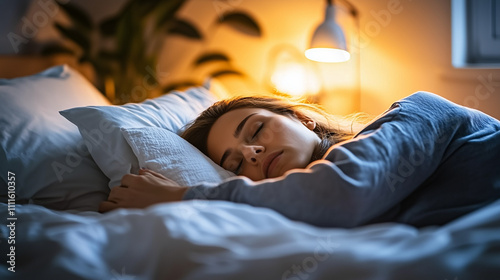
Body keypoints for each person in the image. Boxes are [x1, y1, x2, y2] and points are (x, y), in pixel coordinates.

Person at [99, 91, 500, 228]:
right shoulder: (297, 204)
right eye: (235, 165)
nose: (251, 154)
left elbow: (342, 194)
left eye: (255, 131)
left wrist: (183, 197)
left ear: (301, 117)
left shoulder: (418, 111)